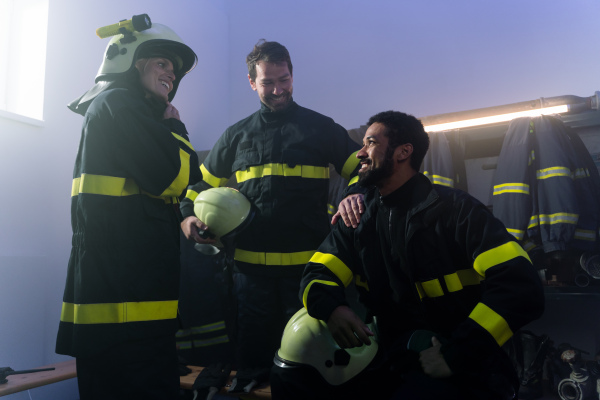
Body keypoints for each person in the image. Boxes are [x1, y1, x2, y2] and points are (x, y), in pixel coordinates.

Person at [272, 110, 545, 399]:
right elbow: (318, 273)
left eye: (371, 143)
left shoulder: (459, 213)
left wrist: (458, 352)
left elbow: (520, 287)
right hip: (390, 362)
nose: (360, 153)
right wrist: (332, 308)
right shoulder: (358, 219)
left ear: (404, 152)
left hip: (463, 365)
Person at [179, 39, 364, 389]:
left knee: (311, 367)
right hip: (250, 279)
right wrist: (189, 217)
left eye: (284, 79)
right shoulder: (236, 136)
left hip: (308, 275)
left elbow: (361, 168)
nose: (278, 89)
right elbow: (197, 188)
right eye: (268, 82)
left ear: (293, 76)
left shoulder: (321, 128)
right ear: (252, 82)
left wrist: (352, 195)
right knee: (253, 372)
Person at [56, 16, 199, 400]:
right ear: (131, 62)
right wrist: (176, 130)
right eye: (162, 63)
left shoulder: (116, 110)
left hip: (124, 306)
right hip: (127, 314)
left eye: (174, 68)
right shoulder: (119, 104)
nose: (171, 73)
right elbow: (175, 179)